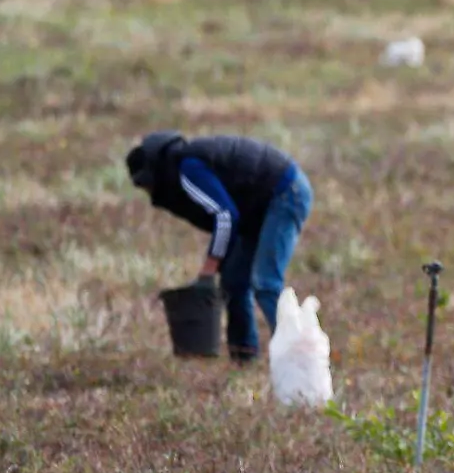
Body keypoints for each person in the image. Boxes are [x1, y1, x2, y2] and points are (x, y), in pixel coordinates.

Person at [124, 131, 313, 363]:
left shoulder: (188, 169)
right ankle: (244, 357)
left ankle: (300, 358)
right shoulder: (185, 167)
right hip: (258, 207)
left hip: (285, 192)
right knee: (234, 281)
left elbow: (225, 216)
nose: (150, 193)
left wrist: (208, 269)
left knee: (266, 282)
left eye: (147, 185)